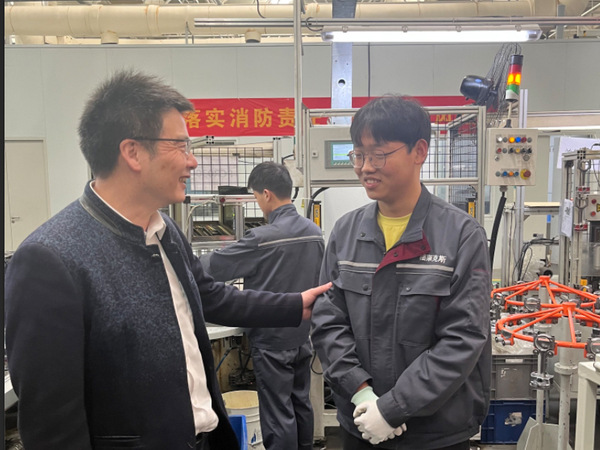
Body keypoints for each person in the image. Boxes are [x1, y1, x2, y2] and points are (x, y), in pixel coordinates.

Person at [4, 69, 331, 450]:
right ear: (133, 152)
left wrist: (293, 305)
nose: (192, 162)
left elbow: (210, 296)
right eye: (180, 146)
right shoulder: (50, 259)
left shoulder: (165, 231)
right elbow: (53, 428)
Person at [310, 96, 491, 450]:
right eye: (359, 155)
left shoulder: (461, 236)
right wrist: (361, 393)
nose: (365, 167)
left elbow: (463, 338)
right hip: (361, 424)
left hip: (435, 434)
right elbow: (328, 321)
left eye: (378, 155)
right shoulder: (346, 233)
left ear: (419, 151)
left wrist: (393, 408)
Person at [201, 161, 324, 450]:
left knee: (277, 412)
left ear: (266, 194)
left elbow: (213, 267)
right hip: (303, 337)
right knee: (300, 403)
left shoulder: (262, 239)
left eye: (256, 196)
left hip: (271, 341)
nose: (258, 202)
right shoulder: (314, 232)